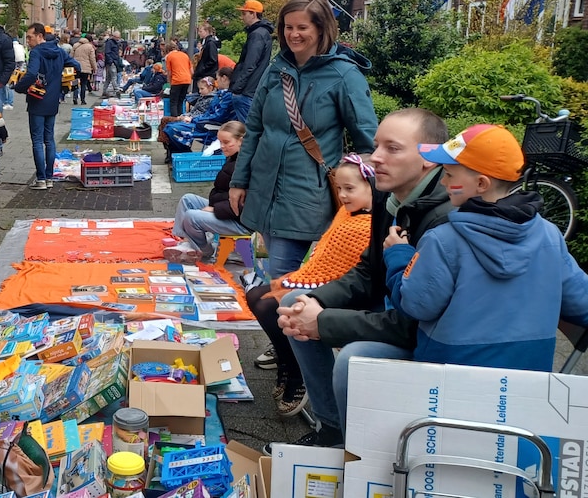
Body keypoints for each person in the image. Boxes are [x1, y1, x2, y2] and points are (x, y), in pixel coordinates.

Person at [275, 108, 451, 449]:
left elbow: (416, 323)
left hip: (426, 335)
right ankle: (332, 428)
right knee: (293, 304)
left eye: (393, 148)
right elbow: (369, 270)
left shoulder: (444, 220)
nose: (377, 158)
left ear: (429, 158)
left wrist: (324, 323)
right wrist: (318, 301)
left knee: (353, 357)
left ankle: (353, 448)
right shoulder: (390, 197)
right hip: (391, 309)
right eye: (377, 146)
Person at [383, 124, 588, 372]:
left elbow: (416, 305)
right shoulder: (549, 235)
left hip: (449, 378)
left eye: (449, 174)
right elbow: (581, 303)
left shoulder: (443, 240)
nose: (444, 181)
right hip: (527, 382)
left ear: (481, 183)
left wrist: (398, 255)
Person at [229, 0, 377, 290]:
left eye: (302, 27)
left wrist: (360, 190)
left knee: (282, 278)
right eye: (288, 27)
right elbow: (254, 128)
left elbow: (367, 143)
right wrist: (239, 180)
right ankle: (288, 329)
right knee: (278, 273)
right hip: (264, 186)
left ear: (321, 29)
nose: (293, 34)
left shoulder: (343, 74)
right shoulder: (277, 69)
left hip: (307, 192)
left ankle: (289, 332)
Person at [249, 153, 375, 416]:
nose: (342, 195)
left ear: (373, 187)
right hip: (326, 284)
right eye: (339, 188)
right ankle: (287, 362)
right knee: (257, 298)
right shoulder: (347, 214)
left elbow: (349, 273)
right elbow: (324, 258)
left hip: (345, 294)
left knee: (274, 305)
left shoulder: (367, 225)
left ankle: (297, 375)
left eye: (350, 189)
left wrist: (307, 286)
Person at [172, 120, 250, 258]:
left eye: (226, 142)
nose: (222, 146)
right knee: (187, 199)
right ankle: (186, 242)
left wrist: (216, 209)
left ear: (241, 141)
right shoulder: (234, 158)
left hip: (242, 221)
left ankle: (205, 250)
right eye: (220, 142)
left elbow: (248, 203)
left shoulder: (247, 164)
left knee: (192, 216)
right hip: (228, 209)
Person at [14, 22, 78, 190]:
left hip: (37, 99)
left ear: (40, 36)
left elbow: (31, 74)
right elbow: (76, 66)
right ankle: (49, 177)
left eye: (30, 37)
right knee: (49, 140)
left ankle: (41, 179)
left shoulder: (36, 53)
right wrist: (62, 80)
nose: (28, 41)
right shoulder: (59, 51)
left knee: (37, 140)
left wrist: (19, 88)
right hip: (53, 100)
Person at [228, 0, 275, 122]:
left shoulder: (257, 34)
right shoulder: (263, 33)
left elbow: (249, 64)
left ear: (253, 14)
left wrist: (237, 88)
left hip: (247, 91)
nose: (242, 17)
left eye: (244, 13)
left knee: (247, 130)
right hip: (252, 89)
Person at [164, 42, 193, 116]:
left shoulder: (169, 56)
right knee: (181, 101)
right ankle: (181, 118)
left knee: (173, 102)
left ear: (167, 50)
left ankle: (174, 120)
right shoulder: (185, 55)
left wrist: (170, 83)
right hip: (187, 80)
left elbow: (169, 72)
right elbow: (191, 70)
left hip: (176, 80)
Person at [193, 22, 220, 88]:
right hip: (205, 73)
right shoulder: (208, 43)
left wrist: (201, 69)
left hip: (206, 74)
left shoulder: (210, 43)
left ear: (207, 31)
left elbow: (212, 60)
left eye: (200, 31)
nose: (199, 33)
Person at [71, 35, 96, 105]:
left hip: (76, 67)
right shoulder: (90, 47)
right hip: (86, 67)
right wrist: (94, 68)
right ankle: (83, 100)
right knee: (83, 84)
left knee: (75, 82)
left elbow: (70, 57)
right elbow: (92, 59)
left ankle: (75, 97)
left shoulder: (75, 45)